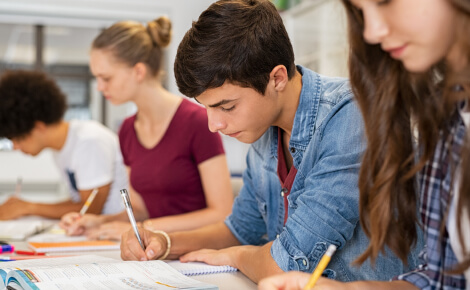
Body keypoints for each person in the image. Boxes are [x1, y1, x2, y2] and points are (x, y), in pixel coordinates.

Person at [120, 0, 422, 283]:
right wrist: (162, 241)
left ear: (277, 78)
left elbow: (287, 264)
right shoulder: (266, 132)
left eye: (226, 107)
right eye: (208, 108)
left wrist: (238, 256)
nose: (214, 125)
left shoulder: (350, 117)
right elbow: (240, 230)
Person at [259, 0, 470, 289]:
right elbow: (441, 278)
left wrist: (238, 254)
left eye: (385, 1)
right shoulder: (447, 119)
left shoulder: (345, 114)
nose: (371, 32)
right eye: (360, 12)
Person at [60, 16, 234, 240]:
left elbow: (221, 213)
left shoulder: (198, 121)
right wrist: (99, 222)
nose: (100, 87)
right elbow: (140, 211)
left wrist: (146, 228)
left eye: (106, 78)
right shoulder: (127, 130)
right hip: (156, 252)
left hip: (199, 251)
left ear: (138, 72)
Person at [0, 70, 126, 220]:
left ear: (38, 127)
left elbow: (90, 209)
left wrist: (28, 207)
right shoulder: (61, 149)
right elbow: (79, 202)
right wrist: (26, 207)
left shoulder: (89, 140)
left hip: (118, 233)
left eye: (18, 139)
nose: (15, 147)